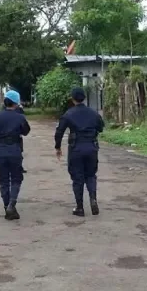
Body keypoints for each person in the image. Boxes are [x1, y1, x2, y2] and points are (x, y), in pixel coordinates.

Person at [54, 87, 105, 217]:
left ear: (72, 99)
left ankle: (80, 207)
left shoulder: (68, 114)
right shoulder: (93, 113)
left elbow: (59, 131)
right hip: (92, 147)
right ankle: (93, 199)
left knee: (77, 178)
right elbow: (101, 127)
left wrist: (58, 147)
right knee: (91, 175)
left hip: (76, 148)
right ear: (84, 98)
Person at [0, 89, 30, 220]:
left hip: (1, 151)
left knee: (3, 181)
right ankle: (12, 204)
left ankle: (7, 208)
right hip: (15, 150)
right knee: (16, 179)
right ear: (16, 103)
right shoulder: (19, 117)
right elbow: (26, 131)